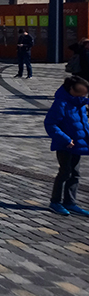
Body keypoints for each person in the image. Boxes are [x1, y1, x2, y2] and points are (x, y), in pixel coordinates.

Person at [45, 76, 89, 216]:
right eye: (81, 93)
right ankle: (55, 202)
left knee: (75, 174)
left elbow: (83, 124)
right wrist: (65, 139)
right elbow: (50, 124)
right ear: (71, 90)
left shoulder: (80, 103)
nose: (84, 96)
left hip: (78, 144)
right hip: (65, 145)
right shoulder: (61, 103)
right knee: (65, 173)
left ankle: (70, 202)